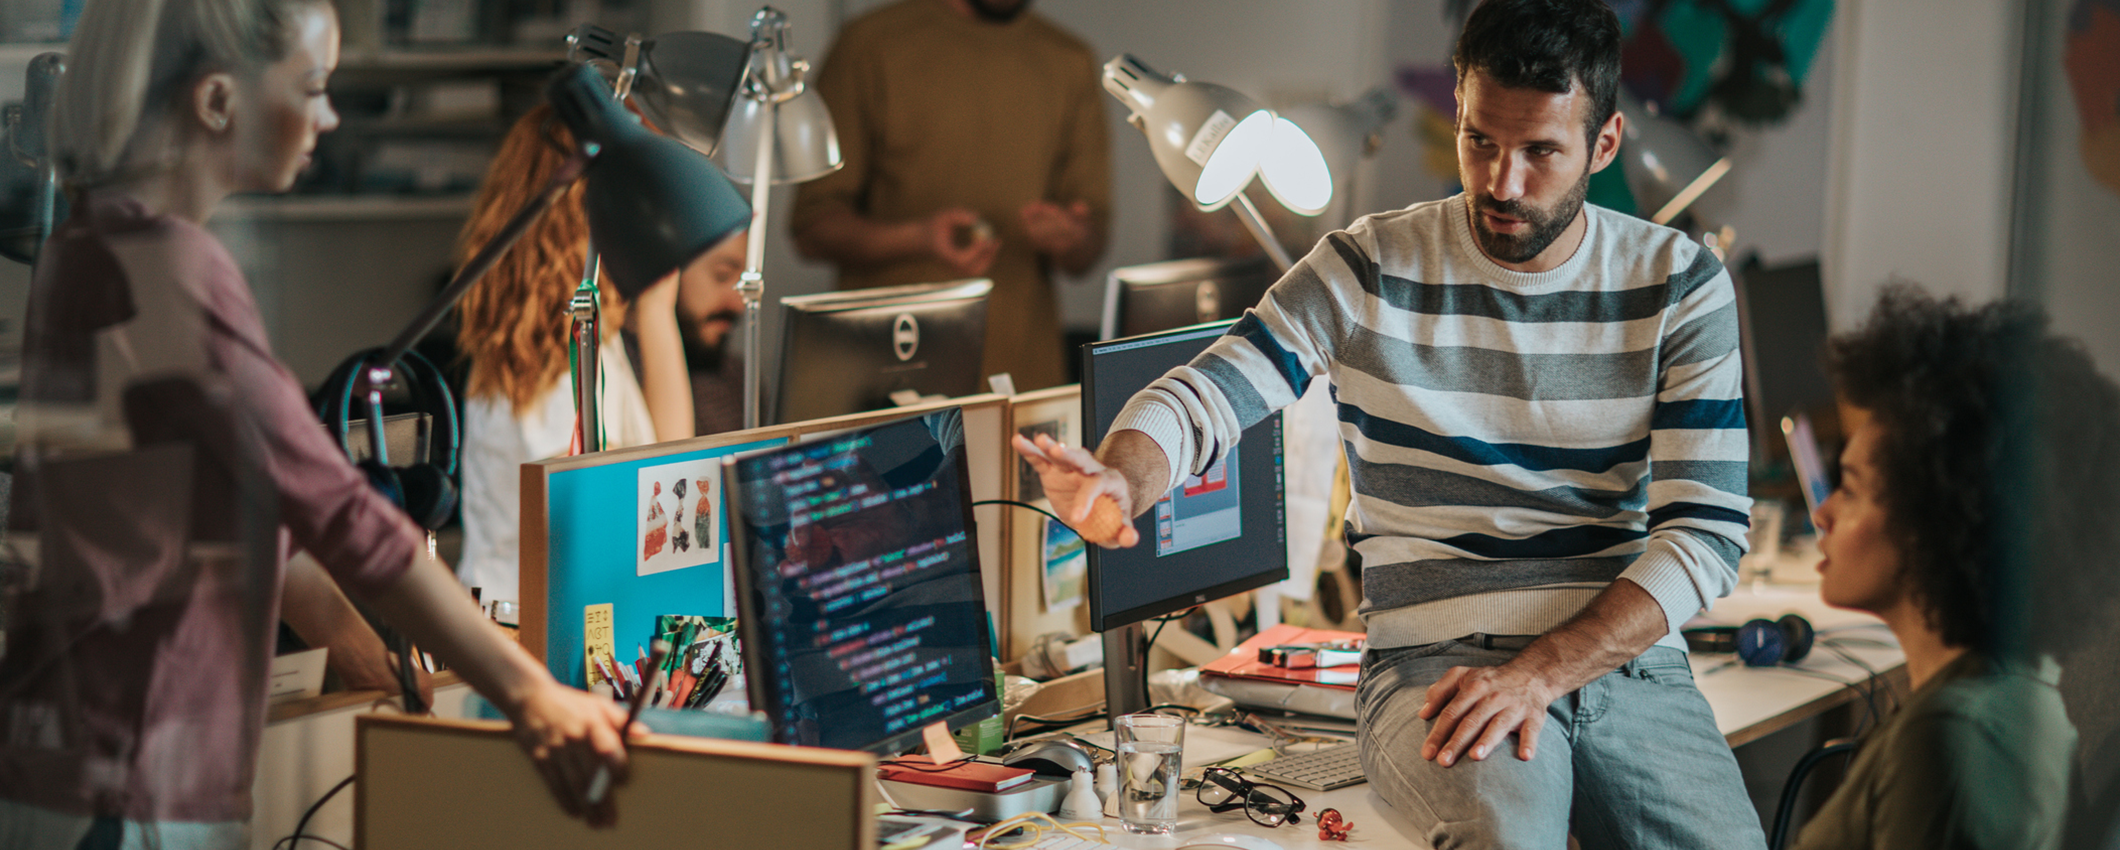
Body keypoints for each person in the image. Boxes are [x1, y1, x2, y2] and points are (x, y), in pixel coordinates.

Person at [1015, 0, 1762, 846]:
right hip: (1435, 660)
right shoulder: (1367, 266)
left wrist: (1539, 673)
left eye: (1539, 152)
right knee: (1506, 837)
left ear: (1606, 143)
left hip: (1621, 656)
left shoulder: (1679, 283)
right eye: (1480, 141)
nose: (1502, 184)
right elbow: (1209, 393)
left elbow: (1705, 534)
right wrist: (1123, 474)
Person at [0, 1, 635, 845]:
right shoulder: (170, 268)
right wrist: (531, 696)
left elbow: (239, 498)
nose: (329, 117)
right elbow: (339, 511)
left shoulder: (95, 245)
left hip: (92, 772)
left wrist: (358, 647)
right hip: (128, 786)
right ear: (217, 100)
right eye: (312, 87)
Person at [1790, 286, 2120, 850]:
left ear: (1934, 521)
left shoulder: (1952, 742)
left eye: (1852, 489)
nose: (1823, 514)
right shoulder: (2002, 695)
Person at [451, 103, 743, 605]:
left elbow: (668, 467)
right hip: (524, 626)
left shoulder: (594, 337)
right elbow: (663, 513)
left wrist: (656, 310)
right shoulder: (555, 361)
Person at [790, 0, 1109, 392]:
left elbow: (1090, 242)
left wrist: (1072, 237)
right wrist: (919, 238)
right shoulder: (870, 44)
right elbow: (812, 227)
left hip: (1024, 381)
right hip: (891, 380)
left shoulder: (1070, 59)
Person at [673, 238, 746, 437]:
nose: (739, 304)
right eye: (723, 275)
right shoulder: (618, 374)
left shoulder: (738, 379)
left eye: (744, 284)